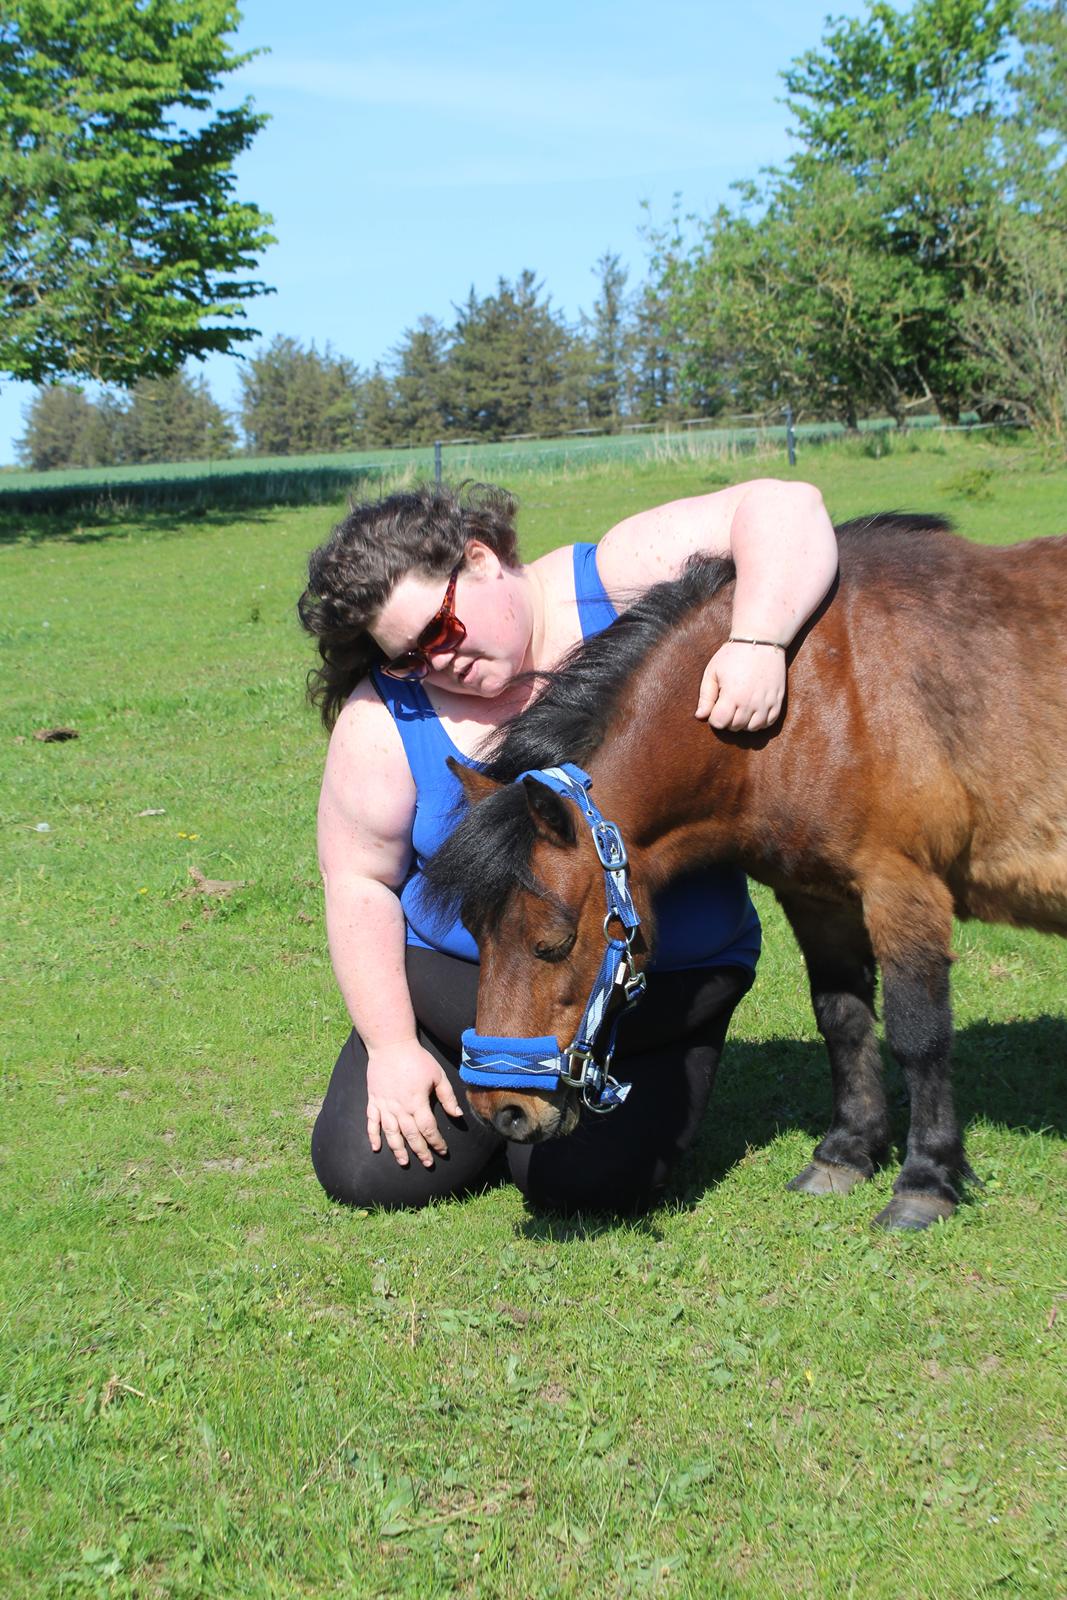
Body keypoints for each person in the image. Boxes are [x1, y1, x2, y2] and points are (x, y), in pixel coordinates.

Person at [299, 478, 838, 1213]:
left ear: (482, 560)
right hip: (460, 994)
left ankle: (566, 1103)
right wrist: (391, 1048)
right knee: (367, 1174)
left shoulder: (612, 581)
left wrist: (757, 641)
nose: (436, 663)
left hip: (650, 995)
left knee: (578, 1187)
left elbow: (787, 506)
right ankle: (474, 1077)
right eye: (408, 657)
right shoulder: (383, 716)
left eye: (441, 629)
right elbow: (358, 881)